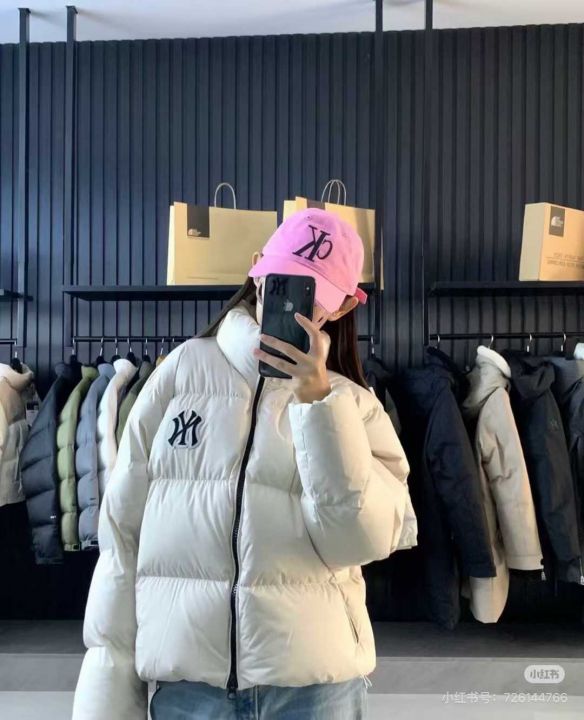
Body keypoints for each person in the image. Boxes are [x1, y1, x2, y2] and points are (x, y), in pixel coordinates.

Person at [72, 208, 417, 720]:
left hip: (313, 692)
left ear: (344, 305)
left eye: (315, 294)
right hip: (191, 691)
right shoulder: (179, 376)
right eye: (285, 281)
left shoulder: (354, 408)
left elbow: (358, 543)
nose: (297, 306)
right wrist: (105, 696)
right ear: (257, 269)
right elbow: (123, 541)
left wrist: (319, 406)